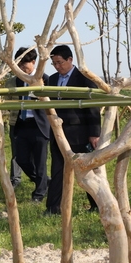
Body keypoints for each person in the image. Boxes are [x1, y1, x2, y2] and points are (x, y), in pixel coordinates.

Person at [45, 45, 101, 215]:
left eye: (60, 62)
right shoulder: (52, 80)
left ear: (70, 59)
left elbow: (93, 107)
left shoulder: (85, 79)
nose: (57, 66)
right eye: (54, 63)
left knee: (85, 171)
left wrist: (94, 133)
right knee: (57, 171)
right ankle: (53, 208)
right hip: (58, 133)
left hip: (79, 133)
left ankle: (97, 204)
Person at [12, 47, 50, 202]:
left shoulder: (45, 78)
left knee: (40, 161)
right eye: (18, 65)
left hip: (39, 124)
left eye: (23, 64)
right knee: (21, 159)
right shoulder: (18, 79)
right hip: (23, 124)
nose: (21, 68)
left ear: (33, 62)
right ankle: (45, 182)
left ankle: (39, 194)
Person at [4, 75, 23, 189]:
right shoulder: (10, 82)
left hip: (35, 123)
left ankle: (40, 178)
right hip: (15, 121)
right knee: (16, 152)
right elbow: (8, 101)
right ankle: (15, 178)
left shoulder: (41, 78)